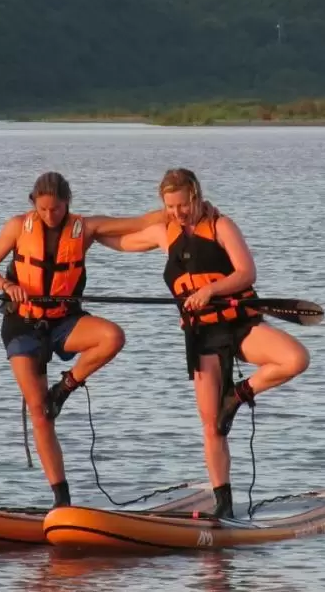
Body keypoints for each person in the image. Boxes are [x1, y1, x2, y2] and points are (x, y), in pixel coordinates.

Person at [96, 168, 311, 519]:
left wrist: (209, 290)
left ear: (196, 196)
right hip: (202, 336)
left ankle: (238, 395)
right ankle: (222, 504)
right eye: (170, 207)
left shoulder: (221, 225)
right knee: (212, 425)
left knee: (295, 358)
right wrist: (84, 232)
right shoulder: (164, 233)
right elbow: (119, 239)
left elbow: (246, 273)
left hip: (240, 325)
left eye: (183, 204)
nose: (178, 213)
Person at [0, 171, 165, 507]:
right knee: (39, 411)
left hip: (64, 321)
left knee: (112, 337)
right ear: (34, 204)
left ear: (68, 203)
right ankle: (61, 500)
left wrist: (182, 210)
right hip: (22, 324)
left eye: (57, 209)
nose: (51, 216)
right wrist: (7, 286)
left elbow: (139, 222)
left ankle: (64, 388)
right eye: (45, 210)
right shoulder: (18, 226)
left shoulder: (86, 228)